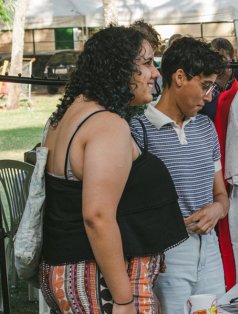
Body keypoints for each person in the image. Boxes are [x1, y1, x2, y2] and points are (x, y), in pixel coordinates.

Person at [40, 25, 188, 313]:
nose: (155, 73)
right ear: (118, 68)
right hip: (99, 281)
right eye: (146, 64)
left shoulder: (70, 116)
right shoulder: (107, 125)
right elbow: (97, 216)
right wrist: (122, 299)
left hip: (76, 273)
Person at [130, 36, 229, 313]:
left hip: (209, 249)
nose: (210, 96)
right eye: (206, 85)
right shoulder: (138, 130)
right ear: (180, 77)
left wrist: (217, 209)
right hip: (166, 253)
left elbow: (221, 195)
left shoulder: (205, 128)